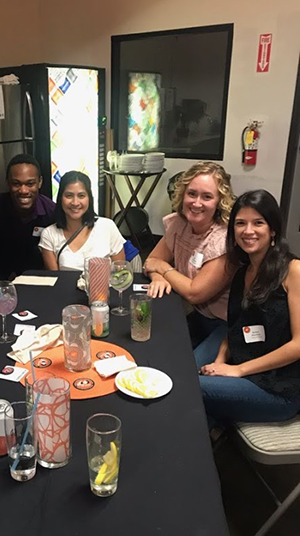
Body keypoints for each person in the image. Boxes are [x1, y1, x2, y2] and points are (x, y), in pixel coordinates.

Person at [195, 190, 300, 424]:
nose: (248, 231)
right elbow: (235, 327)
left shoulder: (293, 271)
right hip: (244, 362)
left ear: (273, 229)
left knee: (189, 389)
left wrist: (238, 371)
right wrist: (221, 362)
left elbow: (298, 345)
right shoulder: (243, 271)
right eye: (240, 223)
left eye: (258, 223)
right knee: (187, 371)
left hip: (278, 389)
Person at [144, 161, 236, 346]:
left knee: (190, 372)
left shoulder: (224, 240)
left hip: (224, 325)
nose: (196, 203)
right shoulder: (180, 224)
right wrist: (157, 278)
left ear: (219, 201)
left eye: (207, 196)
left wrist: (163, 268)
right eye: (192, 194)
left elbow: (195, 293)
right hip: (192, 314)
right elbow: (151, 260)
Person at [39, 170, 125, 271]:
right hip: (65, 287)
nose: (75, 202)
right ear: (60, 198)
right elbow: (55, 279)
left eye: (81, 196)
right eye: (69, 196)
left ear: (89, 198)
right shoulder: (49, 235)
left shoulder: (107, 226)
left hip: (104, 286)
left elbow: (120, 273)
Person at [0, 154, 56, 279]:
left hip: (38, 280)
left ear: (40, 182)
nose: (23, 190)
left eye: (30, 184)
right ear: (7, 183)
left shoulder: (51, 211)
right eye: (16, 184)